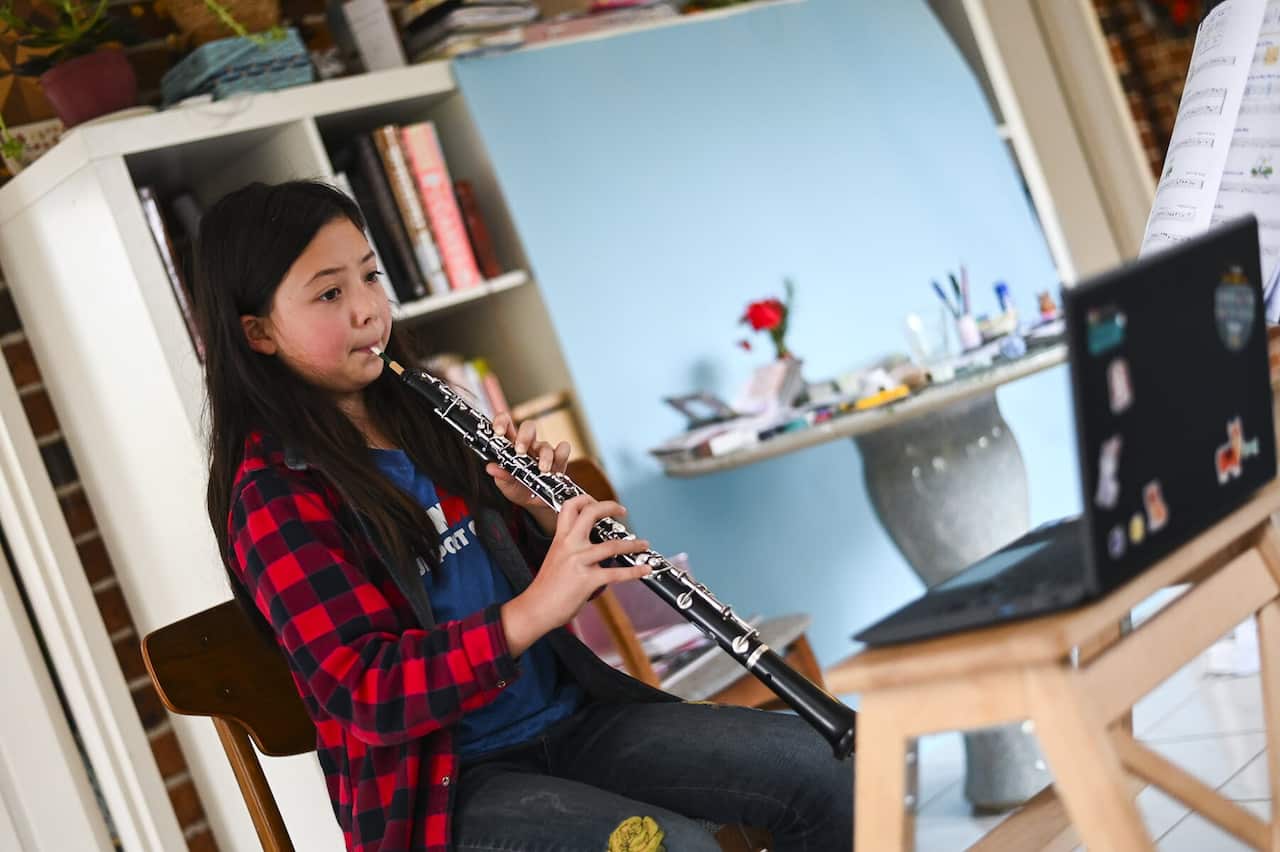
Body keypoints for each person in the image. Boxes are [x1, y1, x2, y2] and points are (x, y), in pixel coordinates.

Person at [192, 179, 854, 852]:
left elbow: (522, 586)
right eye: (330, 293)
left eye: (371, 276)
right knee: (672, 849)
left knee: (829, 767)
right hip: (448, 795)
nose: (368, 309)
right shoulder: (273, 496)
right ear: (259, 333)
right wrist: (533, 608)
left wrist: (538, 515)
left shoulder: (427, 413)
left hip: (570, 724)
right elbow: (370, 691)